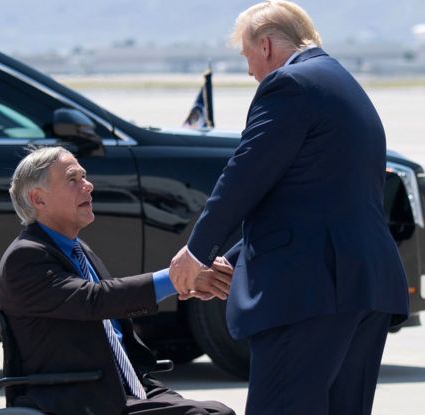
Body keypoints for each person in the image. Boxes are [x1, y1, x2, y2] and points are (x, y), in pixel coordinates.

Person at [169, 1, 410, 414]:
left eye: (247, 57)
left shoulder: (290, 85)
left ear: (265, 46)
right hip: (363, 285)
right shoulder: (341, 83)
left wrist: (196, 252)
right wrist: (231, 259)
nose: (250, 71)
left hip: (310, 293)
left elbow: (244, 175)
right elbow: (312, 200)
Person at [0, 146, 235, 415]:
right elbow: (94, 300)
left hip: (122, 387)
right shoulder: (26, 257)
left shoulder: (78, 249)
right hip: (77, 396)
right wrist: (177, 278)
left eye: (84, 176)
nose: (88, 185)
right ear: (38, 199)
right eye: (73, 179)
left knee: (217, 411)